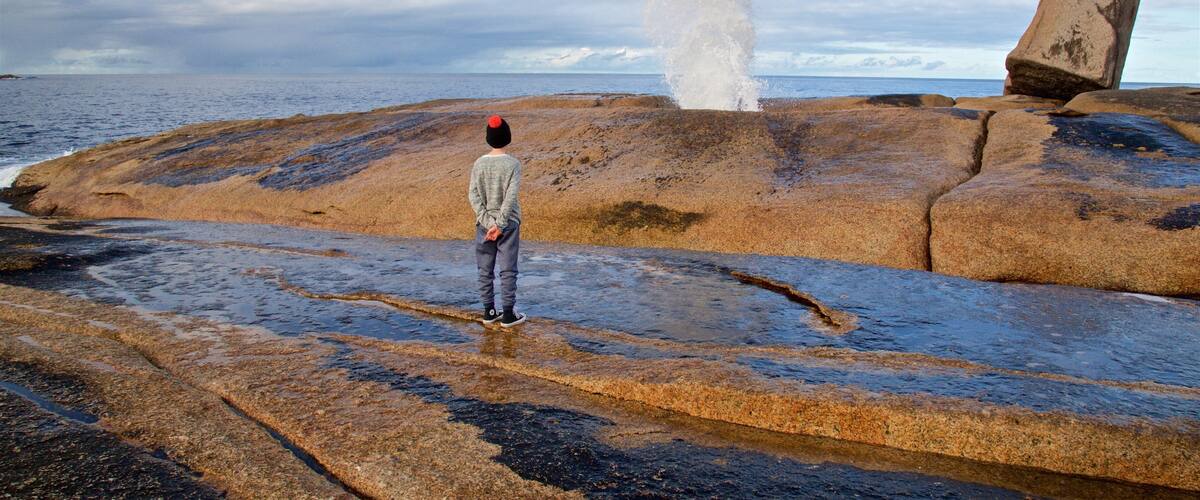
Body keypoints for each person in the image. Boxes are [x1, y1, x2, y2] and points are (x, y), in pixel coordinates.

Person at [469, 115, 526, 327]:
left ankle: (489, 311)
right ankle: (509, 313)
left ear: (488, 138)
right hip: (508, 224)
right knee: (508, 269)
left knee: (485, 269)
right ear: (507, 137)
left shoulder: (479, 163)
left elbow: (473, 195)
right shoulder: (513, 164)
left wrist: (488, 222)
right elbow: (511, 198)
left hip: (484, 225)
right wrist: (499, 225)